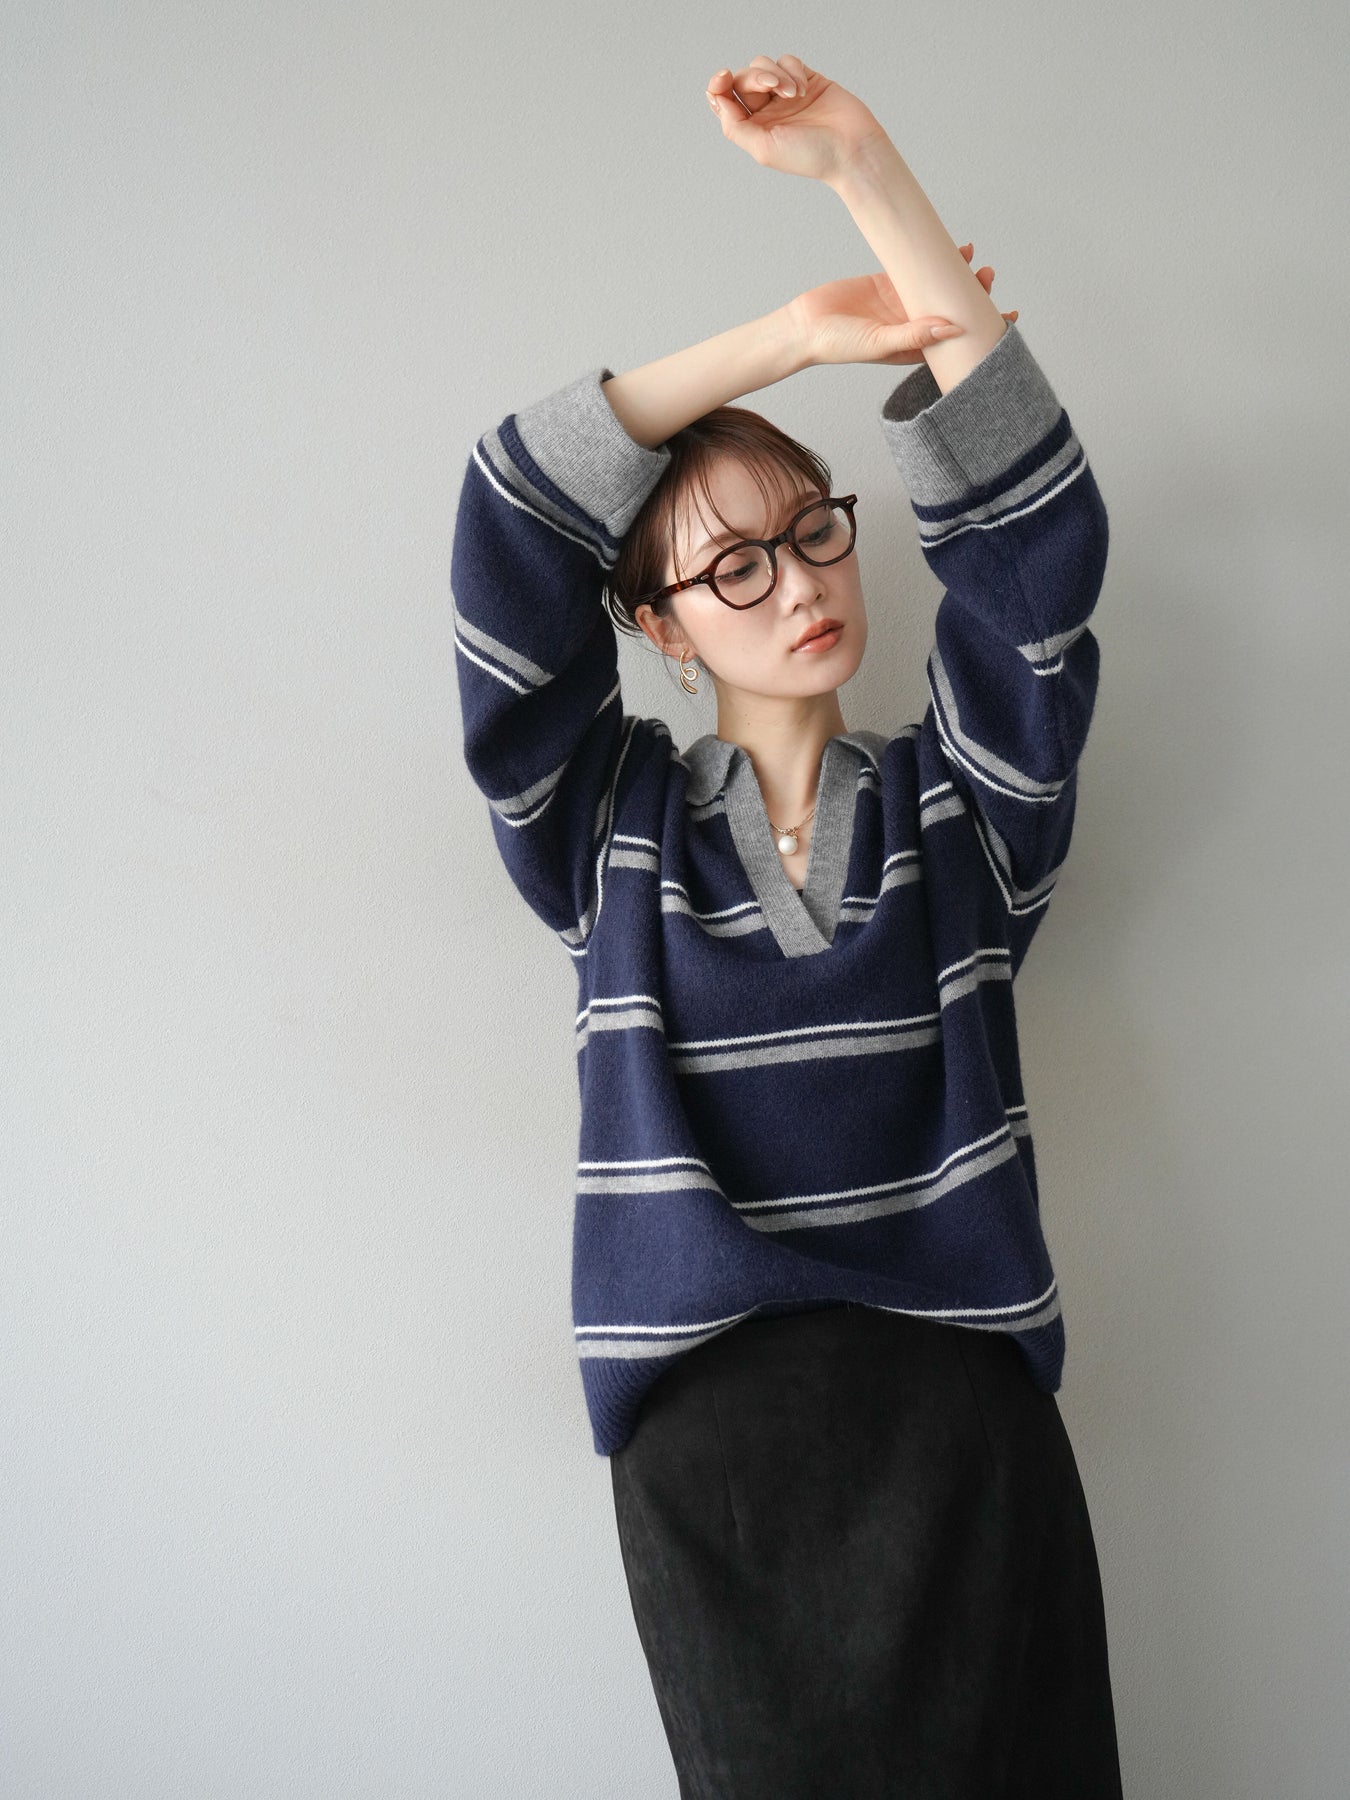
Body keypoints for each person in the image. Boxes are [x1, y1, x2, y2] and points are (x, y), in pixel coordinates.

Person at [450, 50, 1123, 1799]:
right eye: (731, 565)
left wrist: (870, 178)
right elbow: (507, 516)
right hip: (719, 1468)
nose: (800, 583)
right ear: (661, 629)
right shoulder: (605, 833)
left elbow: (1037, 563)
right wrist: (779, 342)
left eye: (814, 533)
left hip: (963, 1437)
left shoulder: (960, 811)